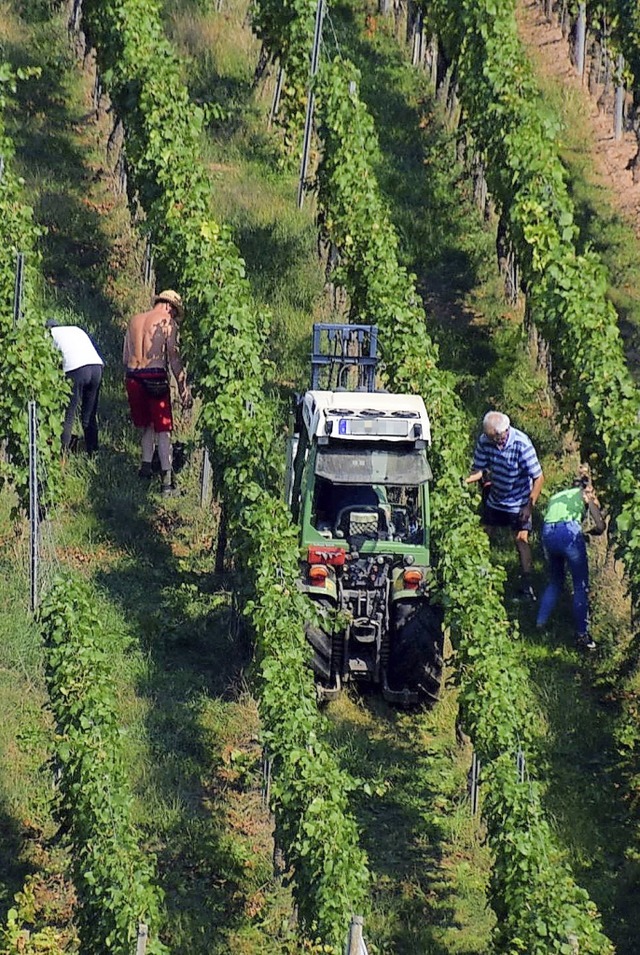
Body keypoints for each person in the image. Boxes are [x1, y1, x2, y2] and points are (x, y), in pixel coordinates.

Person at [466, 410, 544, 599]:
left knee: (521, 540)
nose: (490, 441)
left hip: (518, 501)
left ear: (503, 433)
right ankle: (480, 576)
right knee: (484, 536)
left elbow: (539, 477)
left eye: (493, 438)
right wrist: (463, 480)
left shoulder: (521, 444)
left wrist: (528, 507)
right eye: (488, 437)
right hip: (496, 498)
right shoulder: (486, 440)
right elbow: (480, 469)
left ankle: (527, 586)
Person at [123, 289, 192, 495]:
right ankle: (167, 481)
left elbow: (125, 357)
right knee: (163, 430)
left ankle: (144, 472)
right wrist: (183, 389)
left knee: (147, 426)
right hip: (155, 377)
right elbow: (174, 358)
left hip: (133, 376)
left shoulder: (134, 320)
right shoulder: (167, 323)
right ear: (170, 307)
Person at [536, 466, 605, 650]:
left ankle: (539, 623)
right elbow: (600, 525)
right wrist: (591, 505)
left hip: (548, 533)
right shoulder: (586, 494)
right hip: (568, 534)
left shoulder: (557, 496)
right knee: (580, 586)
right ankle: (582, 635)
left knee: (555, 581)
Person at [46, 319, 104, 455]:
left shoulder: (49, 334)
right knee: (89, 415)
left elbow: (50, 363)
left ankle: (63, 456)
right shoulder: (76, 329)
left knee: (69, 414)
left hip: (76, 369)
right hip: (97, 367)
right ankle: (93, 452)